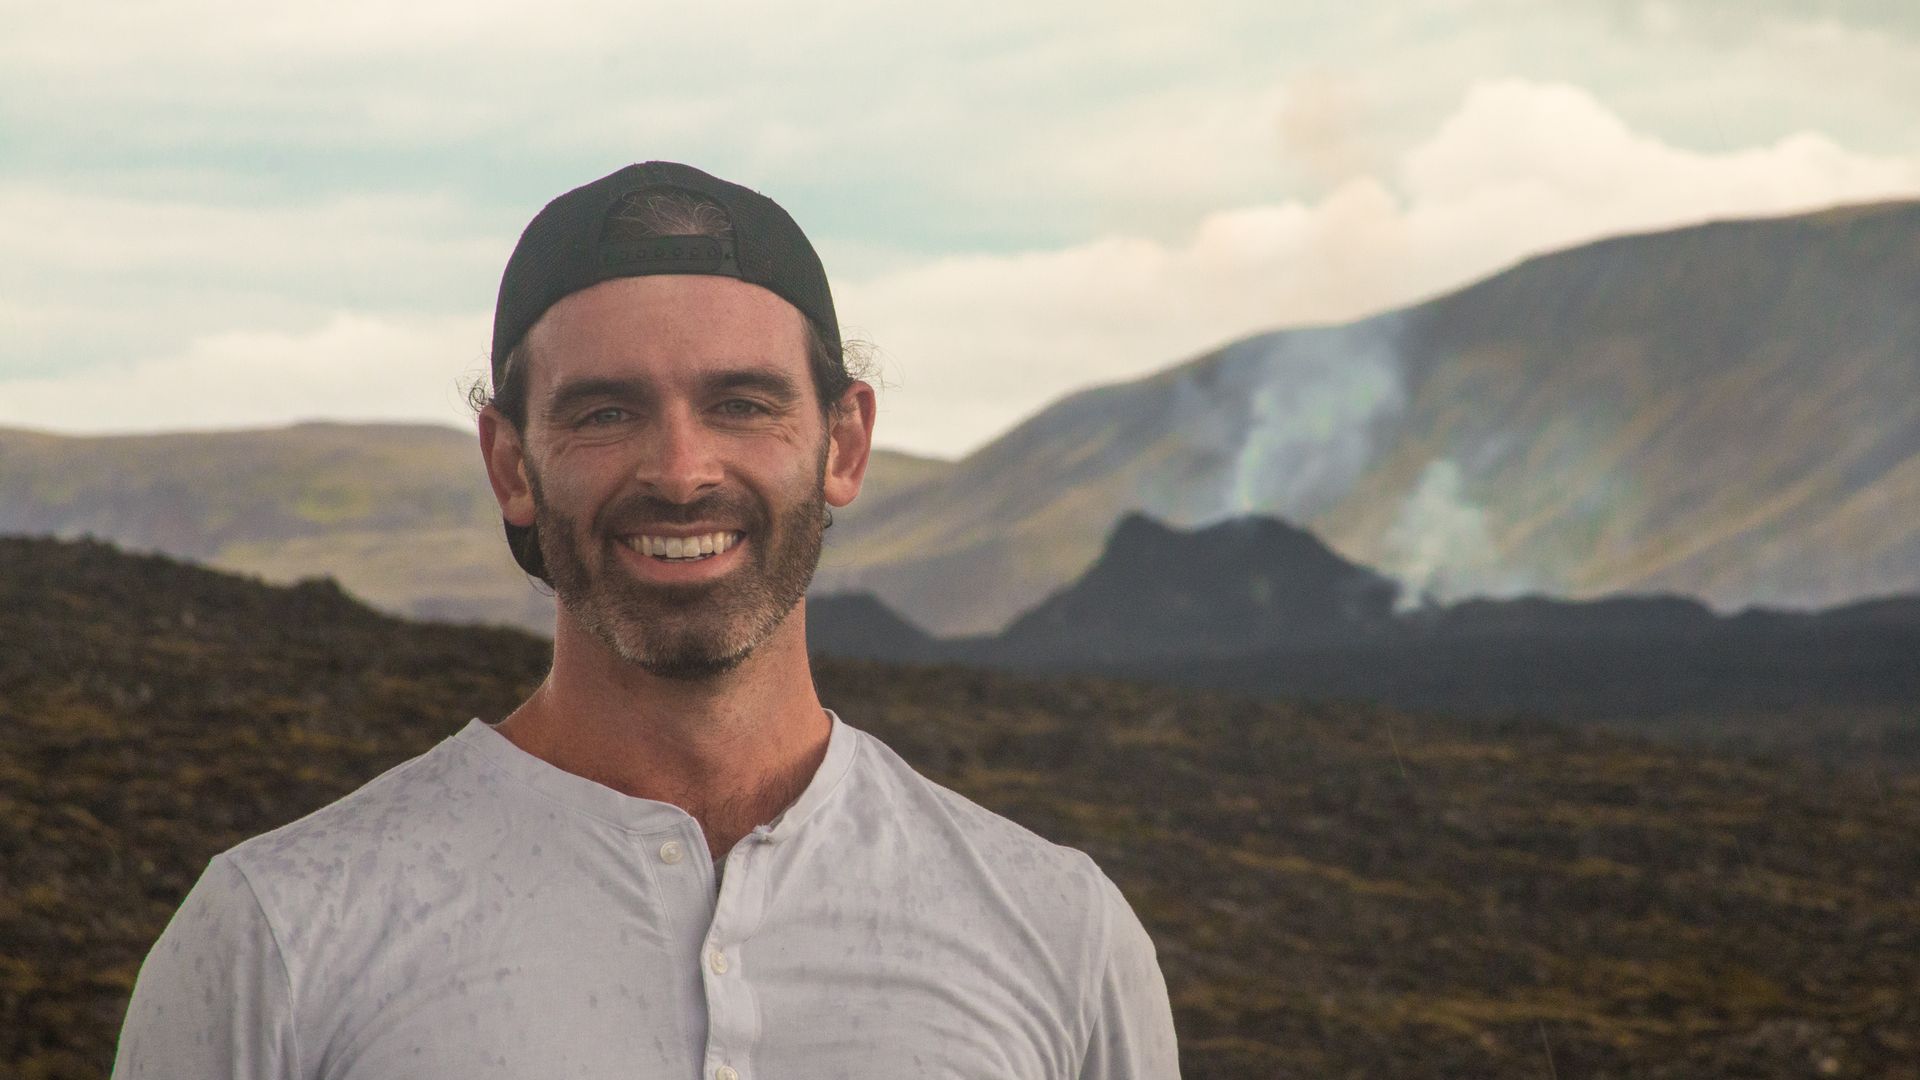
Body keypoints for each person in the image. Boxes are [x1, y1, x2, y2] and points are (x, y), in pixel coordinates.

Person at [112, 161, 1180, 1078]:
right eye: (606, 412)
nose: (679, 472)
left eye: (743, 404)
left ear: (844, 443)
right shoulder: (279, 932)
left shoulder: (1060, 932)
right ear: (509, 464)